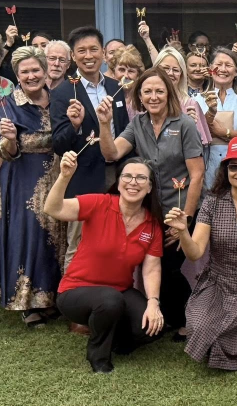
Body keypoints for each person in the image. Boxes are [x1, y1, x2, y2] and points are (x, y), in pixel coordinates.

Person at [95, 68, 204, 339]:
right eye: (148, 91)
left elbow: (197, 174)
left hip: (178, 211)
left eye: (159, 91)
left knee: (169, 266)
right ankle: (171, 317)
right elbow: (112, 153)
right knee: (154, 264)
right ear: (140, 96)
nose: (153, 96)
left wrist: (186, 221)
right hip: (151, 210)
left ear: (168, 93)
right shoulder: (138, 124)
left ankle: (191, 319)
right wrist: (105, 124)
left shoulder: (184, 125)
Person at [165, 136, 237, 370]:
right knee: (198, 325)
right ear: (226, 170)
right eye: (234, 166)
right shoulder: (212, 203)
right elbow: (195, 253)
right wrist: (184, 234)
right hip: (219, 284)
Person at [45, 153, 164, 374]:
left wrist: (153, 303)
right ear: (118, 183)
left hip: (119, 291)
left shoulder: (152, 224)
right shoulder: (99, 203)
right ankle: (98, 357)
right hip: (76, 291)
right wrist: (64, 177)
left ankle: (116, 342)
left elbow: (151, 268)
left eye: (140, 178)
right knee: (110, 301)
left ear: (149, 187)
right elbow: (53, 209)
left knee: (151, 328)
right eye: (127, 176)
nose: (133, 182)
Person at [0, 46, 65, 327]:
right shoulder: (7, 105)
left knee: (57, 236)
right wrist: (10, 139)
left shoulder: (59, 101)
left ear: (46, 72)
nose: (32, 75)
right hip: (23, 181)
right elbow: (4, 150)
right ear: (17, 76)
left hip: (60, 178)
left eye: (36, 70)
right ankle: (28, 303)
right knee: (30, 237)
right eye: (25, 72)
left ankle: (53, 298)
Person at [50, 26, 111, 277]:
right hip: (83, 179)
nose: (89, 56)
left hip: (116, 177)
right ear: (73, 57)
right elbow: (58, 144)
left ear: (104, 53)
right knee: (79, 244)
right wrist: (74, 125)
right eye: (81, 51)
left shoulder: (117, 87)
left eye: (94, 49)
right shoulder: (63, 92)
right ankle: (74, 304)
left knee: (112, 241)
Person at [201, 48, 237, 189]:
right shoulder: (197, 99)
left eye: (228, 65)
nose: (222, 69)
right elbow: (198, 135)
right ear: (210, 69)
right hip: (207, 164)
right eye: (218, 64)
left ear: (236, 72)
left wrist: (223, 132)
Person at [155, 47, 213, 148]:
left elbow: (200, 148)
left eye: (176, 70)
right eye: (165, 68)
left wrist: (190, 127)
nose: (170, 73)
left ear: (182, 74)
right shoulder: (146, 102)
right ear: (155, 69)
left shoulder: (190, 104)